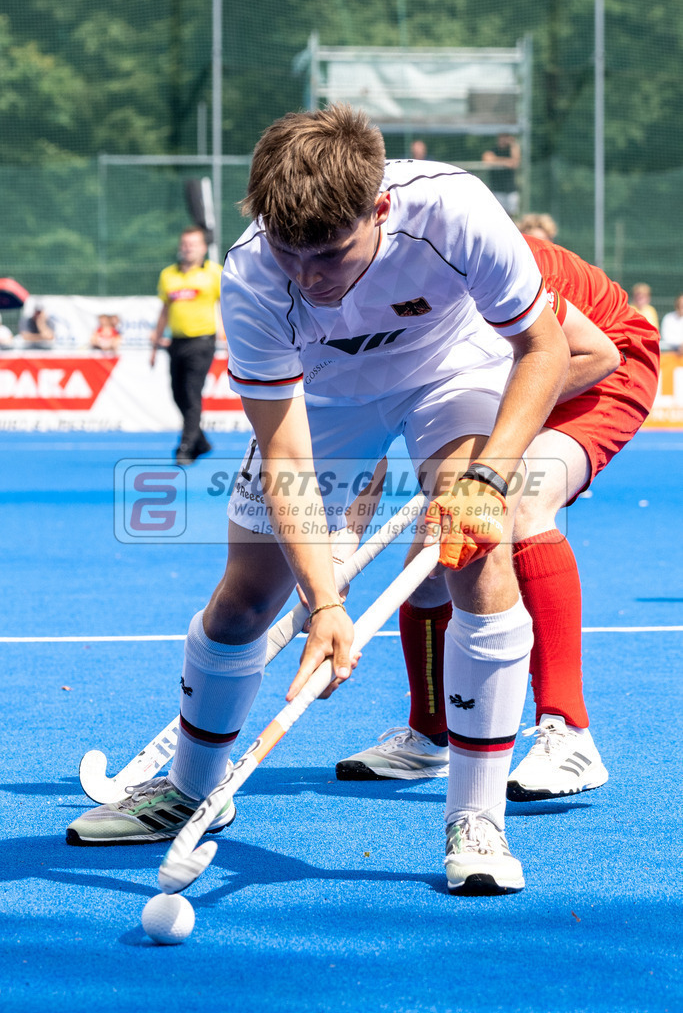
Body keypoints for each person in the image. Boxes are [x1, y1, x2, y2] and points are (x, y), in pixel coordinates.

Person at [66, 104, 571, 896]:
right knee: (241, 602)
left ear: (377, 209)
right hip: (326, 401)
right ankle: (193, 788)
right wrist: (325, 598)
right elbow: (288, 455)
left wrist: (487, 477)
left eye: (330, 254)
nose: (309, 277)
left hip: (454, 373)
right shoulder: (250, 273)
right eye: (289, 253)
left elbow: (542, 347)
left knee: (478, 557)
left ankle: (475, 818)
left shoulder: (454, 209)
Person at [336, 235, 659, 801]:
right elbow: (365, 459)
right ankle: (430, 735)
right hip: (515, 368)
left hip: (601, 358)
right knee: (437, 547)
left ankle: (571, 733)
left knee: (519, 504)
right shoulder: (346, 299)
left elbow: (595, 355)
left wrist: (498, 453)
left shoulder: (465, 262)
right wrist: (330, 579)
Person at [151, 226, 222, 465]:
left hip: (202, 342)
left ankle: (186, 446)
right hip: (176, 342)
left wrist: (229, 335)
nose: (188, 248)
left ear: (203, 248)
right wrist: (154, 343)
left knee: (191, 393)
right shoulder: (168, 275)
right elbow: (164, 311)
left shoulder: (214, 273)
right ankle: (201, 441)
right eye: (184, 244)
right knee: (178, 394)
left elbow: (229, 305)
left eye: (193, 244)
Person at [481, 133, 520, 216]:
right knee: (498, 215)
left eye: (506, 137)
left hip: (510, 190)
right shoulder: (493, 150)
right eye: (502, 137)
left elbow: (514, 162)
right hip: (497, 190)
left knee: (511, 216)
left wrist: (513, 144)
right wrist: (505, 162)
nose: (504, 140)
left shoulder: (511, 150)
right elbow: (487, 159)